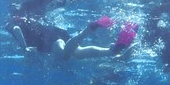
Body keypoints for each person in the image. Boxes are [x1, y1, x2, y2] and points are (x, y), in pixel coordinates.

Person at [8, 14, 137, 59]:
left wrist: (24, 48)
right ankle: (112, 51)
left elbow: (15, 28)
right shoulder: (28, 21)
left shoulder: (11, 23)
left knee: (64, 56)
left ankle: (87, 30)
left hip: (49, 39)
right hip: (57, 33)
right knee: (78, 53)